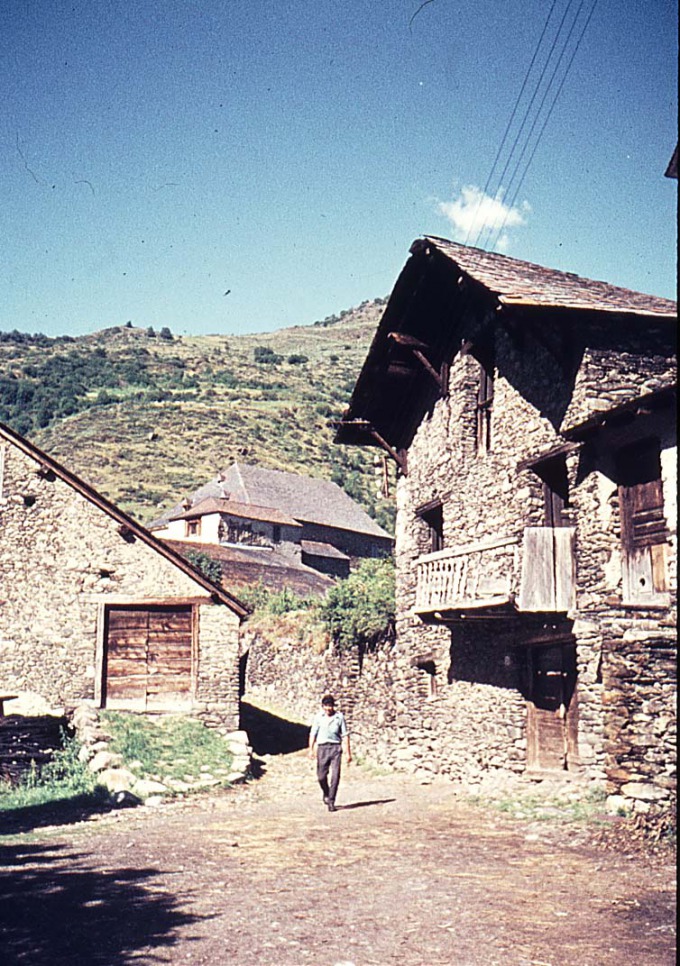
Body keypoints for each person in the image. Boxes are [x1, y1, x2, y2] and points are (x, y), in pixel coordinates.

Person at [308, 694, 351, 812]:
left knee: (335, 776)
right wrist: (311, 749)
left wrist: (348, 753)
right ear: (322, 706)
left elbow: (345, 735)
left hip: (335, 748)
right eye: (326, 706)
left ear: (333, 706)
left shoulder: (339, 717)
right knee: (321, 776)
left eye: (330, 706)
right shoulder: (318, 717)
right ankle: (326, 793)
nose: (328, 708)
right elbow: (313, 733)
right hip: (322, 748)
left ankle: (331, 801)